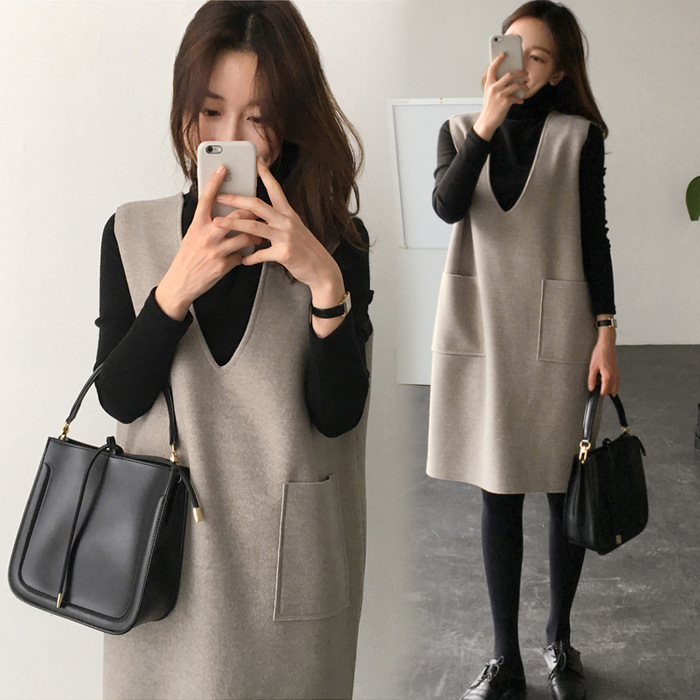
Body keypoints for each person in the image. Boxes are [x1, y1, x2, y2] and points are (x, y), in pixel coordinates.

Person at [94, 2, 373, 699]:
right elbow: (119, 400)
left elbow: (338, 417)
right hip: (161, 573)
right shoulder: (130, 233)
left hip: (290, 573)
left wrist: (325, 285)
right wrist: (174, 289)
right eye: (212, 111)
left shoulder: (336, 242)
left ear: (293, 119)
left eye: (258, 117)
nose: (230, 138)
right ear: (185, 112)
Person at [427, 2, 618, 699]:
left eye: (537, 57)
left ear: (560, 71)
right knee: (497, 490)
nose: (520, 65)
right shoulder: (459, 131)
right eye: (511, 49)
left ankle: (558, 638)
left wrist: (606, 331)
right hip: (481, 331)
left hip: (559, 328)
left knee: (564, 489)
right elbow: (447, 205)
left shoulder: (579, 137)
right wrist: (486, 122)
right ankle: (504, 658)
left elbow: (594, 235)